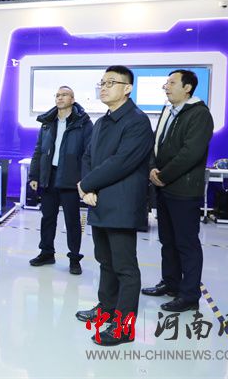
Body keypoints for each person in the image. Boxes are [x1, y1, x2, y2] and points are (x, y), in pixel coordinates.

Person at [75, 65, 154, 346]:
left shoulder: (137, 121)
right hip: (98, 200)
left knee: (124, 267)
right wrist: (87, 188)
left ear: (127, 88)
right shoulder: (102, 122)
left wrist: (87, 185)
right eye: (102, 82)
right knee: (105, 260)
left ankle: (124, 327)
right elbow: (87, 157)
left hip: (121, 203)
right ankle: (106, 309)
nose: (104, 87)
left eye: (111, 82)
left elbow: (122, 162)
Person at [141, 70, 213, 312]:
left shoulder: (199, 114)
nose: (166, 86)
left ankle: (189, 295)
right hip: (164, 188)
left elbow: (190, 153)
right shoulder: (168, 110)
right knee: (167, 240)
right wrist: (152, 168)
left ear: (188, 87)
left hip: (184, 190)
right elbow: (155, 143)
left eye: (172, 83)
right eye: (166, 82)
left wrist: (163, 175)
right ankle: (170, 283)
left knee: (186, 243)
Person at [28, 86, 92, 275]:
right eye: (57, 95)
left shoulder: (83, 123)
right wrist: (34, 175)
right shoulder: (48, 122)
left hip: (71, 178)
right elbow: (39, 149)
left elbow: (89, 153)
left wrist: (85, 180)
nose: (60, 98)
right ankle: (47, 253)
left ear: (72, 99)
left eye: (64, 95)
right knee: (47, 217)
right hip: (50, 176)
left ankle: (74, 258)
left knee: (72, 221)